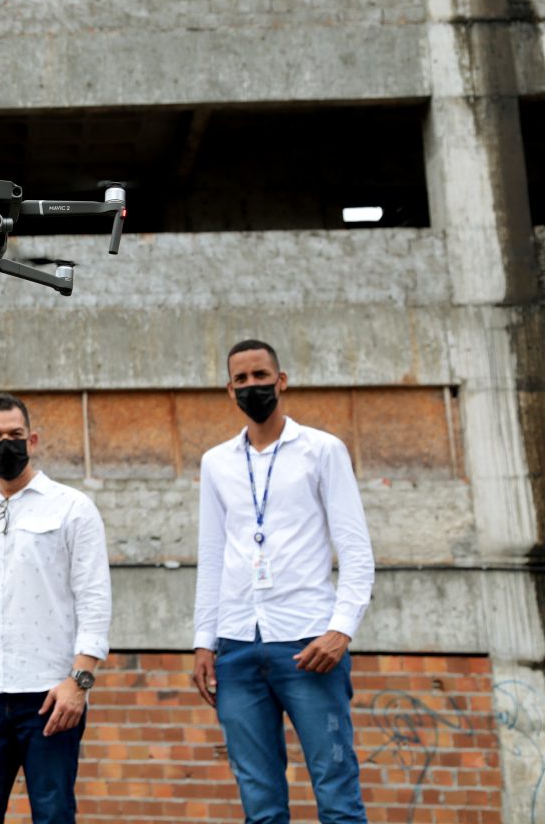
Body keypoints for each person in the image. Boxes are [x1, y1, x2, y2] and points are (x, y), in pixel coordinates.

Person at [191, 339, 375, 824]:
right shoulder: (216, 462)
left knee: (337, 794)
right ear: (229, 389)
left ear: (282, 380)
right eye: (241, 379)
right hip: (237, 647)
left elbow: (356, 551)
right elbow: (212, 556)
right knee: (260, 805)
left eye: (260, 376)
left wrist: (341, 630)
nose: (252, 386)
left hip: (308, 643)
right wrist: (204, 641)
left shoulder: (322, 450)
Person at [0, 392, 112, 824]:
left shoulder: (73, 508)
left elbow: (94, 601)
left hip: (50, 698)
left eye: (14, 434)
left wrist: (79, 684)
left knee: (52, 815)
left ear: (32, 440)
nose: (5, 444)